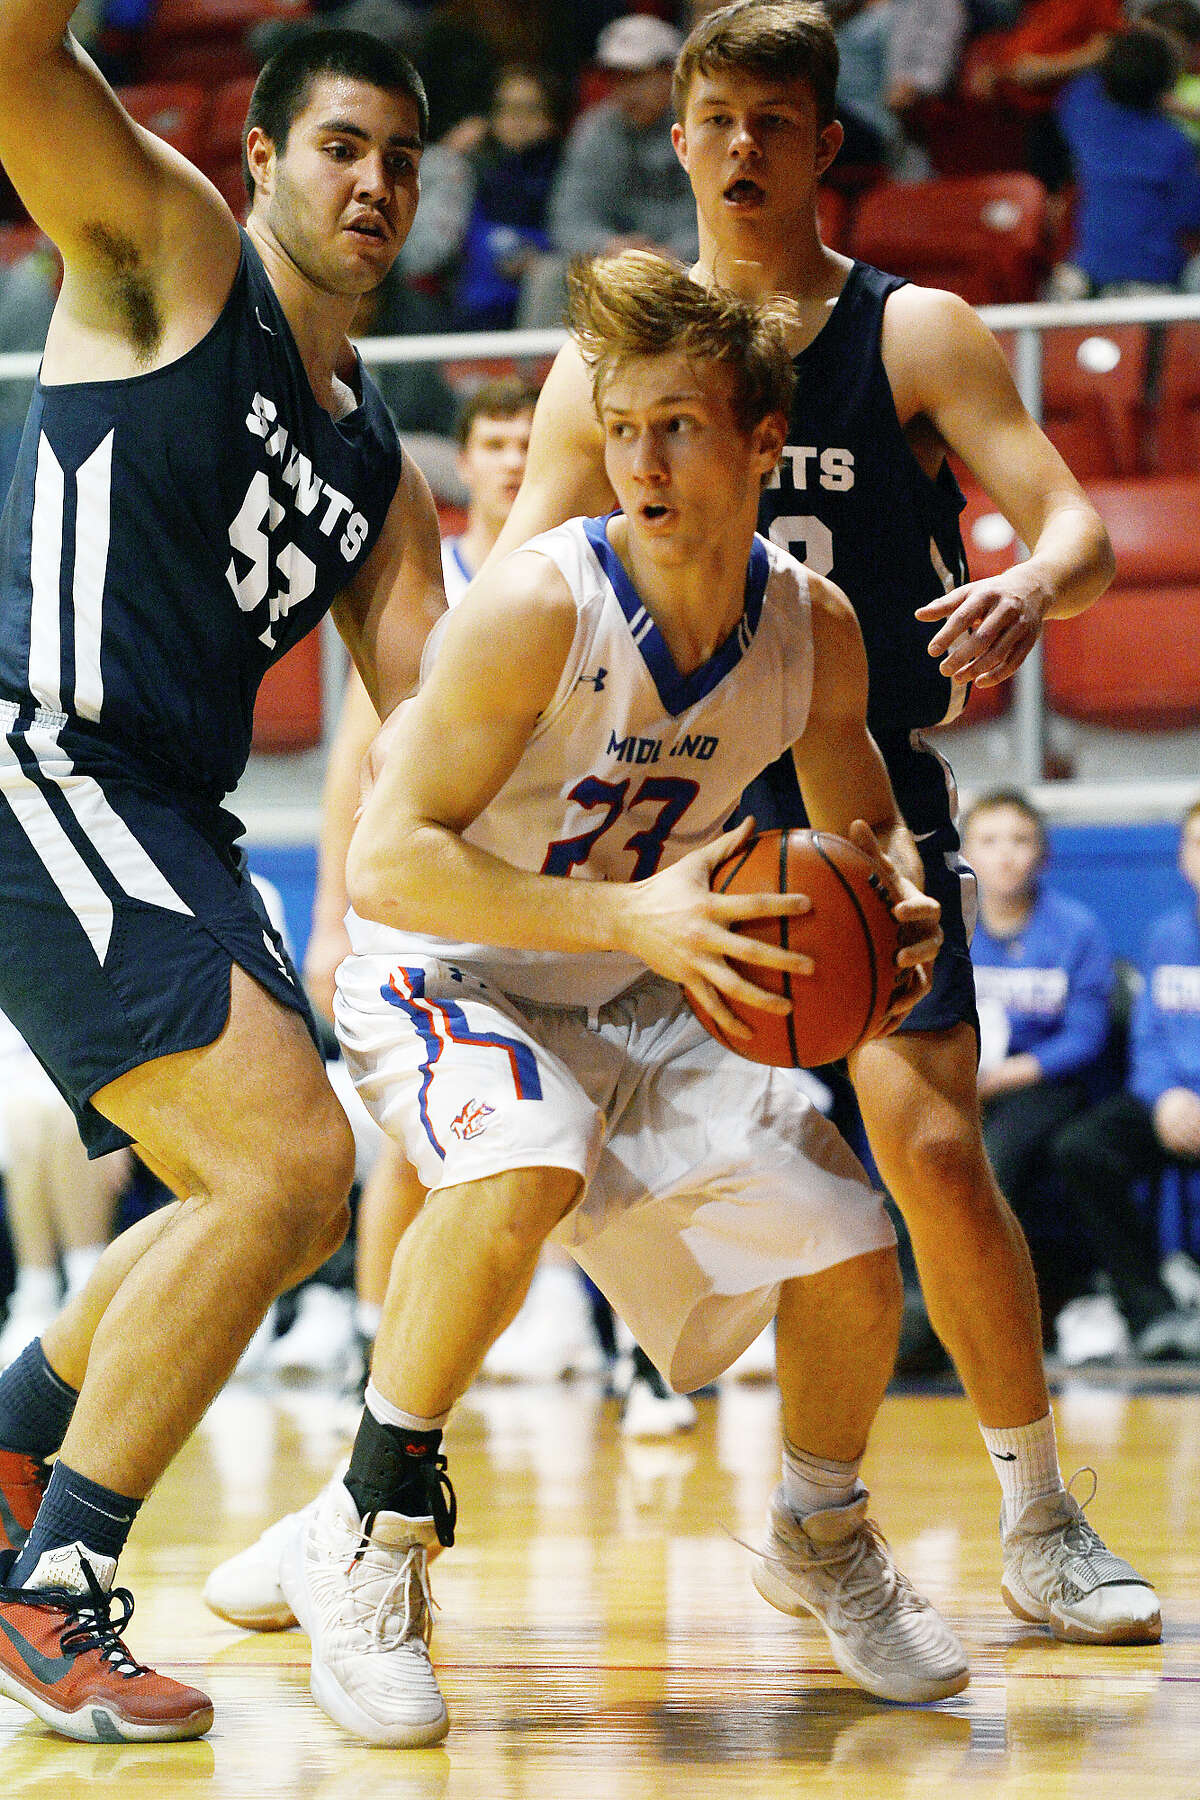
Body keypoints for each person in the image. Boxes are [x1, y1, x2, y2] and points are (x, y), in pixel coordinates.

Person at [213, 246, 967, 1747]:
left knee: (850, 1245)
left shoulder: (811, 626)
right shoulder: (535, 607)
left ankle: (819, 1533)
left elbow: (862, 826)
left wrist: (895, 908)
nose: (644, 463)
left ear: (764, 440)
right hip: (447, 967)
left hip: (636, 978)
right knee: (523, 1154)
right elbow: (386, 859)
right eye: (623, 430)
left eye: (679, 427)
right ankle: (373, 1533)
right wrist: (631, 914)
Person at [477, 0, 1159, 1649]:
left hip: (859, 789)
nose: (741, 147)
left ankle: (1037, 1516)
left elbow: (1078, 530)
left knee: (931, 1148)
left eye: (773, 122)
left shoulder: (913, 330)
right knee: (521, 1154)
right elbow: (509, 585)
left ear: (825, 143)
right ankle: (380, 1489)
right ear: (676, 139)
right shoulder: (615, 361)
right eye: (716, 120)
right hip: (669, 802)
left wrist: (1028, 585)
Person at [0, 20, 447, 1742]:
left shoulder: (376, 462)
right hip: (44, 756)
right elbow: (22, 69)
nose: (374, 183)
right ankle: (51, 1590)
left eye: (401, 158)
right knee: (287, 1163)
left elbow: (449, 717)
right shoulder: (173, 253)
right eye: (341, 146)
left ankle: (15, 1444)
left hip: (172, 813)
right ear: (262, 157)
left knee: (271, 1195)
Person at [1051, 800, 1200, 1353]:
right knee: (1083, 1148)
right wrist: (1166, 1098)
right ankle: (1150, 1311)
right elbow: (1149, 1037)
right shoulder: (1166, 935)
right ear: (1182, 858)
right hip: (1173, 1102)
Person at [1053, 25, 1200, 297]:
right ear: (1167, 85)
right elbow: (1190, 216)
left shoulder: (1082, 109)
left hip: (1088, 273)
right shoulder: (1174, 144)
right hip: (1152, 281)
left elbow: (1089, 83)